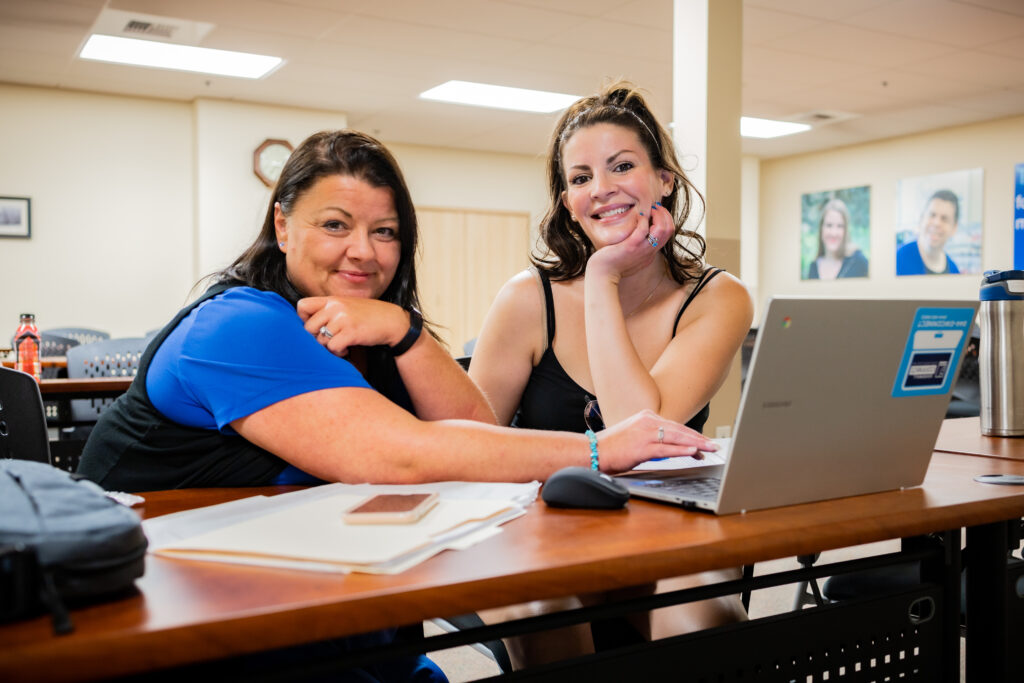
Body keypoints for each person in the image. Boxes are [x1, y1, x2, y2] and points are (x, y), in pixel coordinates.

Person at [76, 130, 714, 680]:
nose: (364, 251)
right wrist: (600, 447)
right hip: (181, 625)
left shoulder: (363, 329)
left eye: (385, 232)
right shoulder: (236, 325)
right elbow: (402, 457)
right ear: (281, 225)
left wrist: (404, 332)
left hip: (322, 604)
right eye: (335, 225)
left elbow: (474, 435)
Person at [468, 83, 753, 668]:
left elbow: (639, 429)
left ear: (665, 179)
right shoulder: (527, 300)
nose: (600, 189)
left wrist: (604, 280)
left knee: (707, 618)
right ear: (566, 200)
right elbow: (466, 445)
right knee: (547, 614)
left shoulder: (717, 297)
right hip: (540, 531)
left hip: (665, 533)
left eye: (622, 166)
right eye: (579, 178)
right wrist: (602, 277)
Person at [895, 189, 961, 275]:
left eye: (944, 219)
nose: (936, 223)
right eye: (932, 215)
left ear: (954, 228)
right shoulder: (898, 260)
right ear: (922, 218)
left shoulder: (954, 271)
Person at [806, 198, 868, 279]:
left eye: (840, 226)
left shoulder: (858, 262)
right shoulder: (813, 268)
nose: (833, 233)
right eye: (829, 225)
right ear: (821, 228)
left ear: (846, 230)